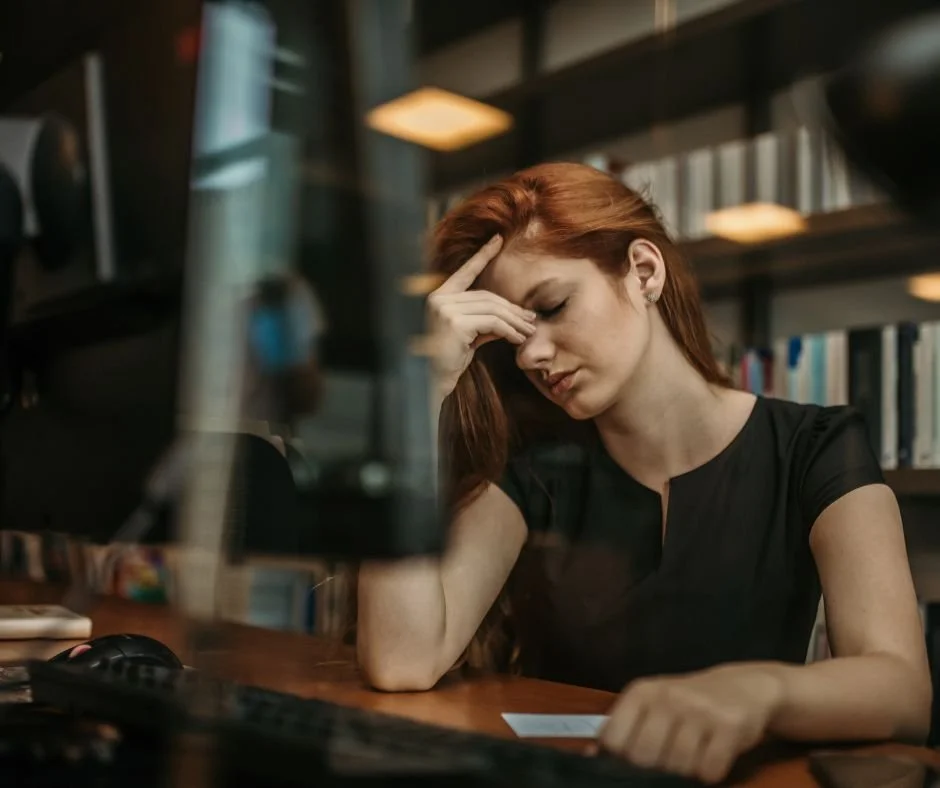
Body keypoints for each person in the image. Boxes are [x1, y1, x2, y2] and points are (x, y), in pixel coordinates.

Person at [356, 162, 932, 783]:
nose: (532, 354)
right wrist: (417, 400)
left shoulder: (814, 446)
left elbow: (903, 691)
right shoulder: (535, 472)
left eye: (551, 306)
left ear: (644, 271)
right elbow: (401, 661)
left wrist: (758, 692)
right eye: (513, 335)